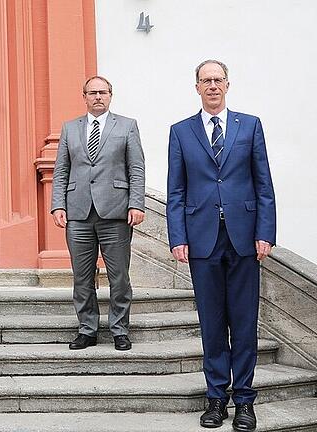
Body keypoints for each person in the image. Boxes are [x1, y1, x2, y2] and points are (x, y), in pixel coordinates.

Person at [167, 59, 276, 431]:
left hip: (245, 239)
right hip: (202, 240)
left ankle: (244, 399)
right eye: (205, 80)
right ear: (196, 87)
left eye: (218, 80)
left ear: (228, 84)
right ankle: (216, 398)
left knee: (244, 323)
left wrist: (265, 232)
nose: (212, 86)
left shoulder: (250, 126)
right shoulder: (181, 132)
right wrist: (178, 236)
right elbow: (176, 190)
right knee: (212, 323)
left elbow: (264, 185)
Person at [51, 75, 145, 352]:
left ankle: (119, 329)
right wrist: (58, 205)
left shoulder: (127, 126)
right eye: (92, 93)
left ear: (110, 95)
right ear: (84, 96)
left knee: (119, 276)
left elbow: (136, 168)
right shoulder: (70, 128)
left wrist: (136, 203)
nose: (98, 97)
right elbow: (61, 170)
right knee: (82, 276)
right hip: (78, 212)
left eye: (102, 92)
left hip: (115, 211)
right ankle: (87, 329)